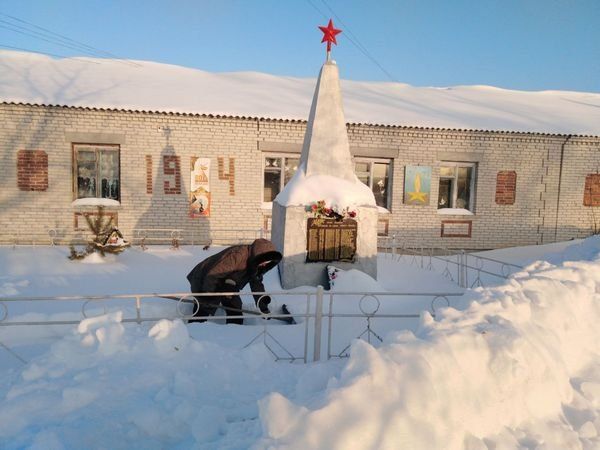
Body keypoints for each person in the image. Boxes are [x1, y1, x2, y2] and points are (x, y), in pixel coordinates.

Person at [186, 238, 282, 324]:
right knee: (204, 308)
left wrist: (263, 306)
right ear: (258, 255)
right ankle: (192, 332)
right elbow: (213, 274)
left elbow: (256, 283)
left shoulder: (256, 264)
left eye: (268, 262)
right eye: (264, 261)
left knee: (235, 309)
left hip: (228, 284)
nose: (265, 264)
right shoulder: (237, 255)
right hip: (204, 278)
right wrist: (207, 295)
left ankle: (234, 332)